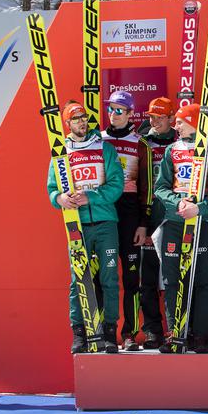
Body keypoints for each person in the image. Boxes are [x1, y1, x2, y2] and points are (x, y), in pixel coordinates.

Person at [46, 101, 123, 353]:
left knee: (109, 278)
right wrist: (60, 198)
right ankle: (79, 333)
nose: (81, 122)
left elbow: (116, 185)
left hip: (105, 222)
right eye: (75, 119)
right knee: (78, 278)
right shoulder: (61, 152)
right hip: (77, 225)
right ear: (67, 124)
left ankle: (110, 332)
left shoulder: (105, 148)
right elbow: (51, 189)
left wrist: (92, 197)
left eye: (84, 118)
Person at [154, 103, 208, 353]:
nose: (176, 126)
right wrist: (179, 202)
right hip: (175, 221)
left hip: (203, 222)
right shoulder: (172, 150)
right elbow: (160, 187)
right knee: (172, 279)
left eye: (180, 122)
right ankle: (175, 334)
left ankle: (201, 336)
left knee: (203, 280)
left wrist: (199, 208)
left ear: (193, 121)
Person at [101, 90, 151, 351]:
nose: (114, 114)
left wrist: (144, 222)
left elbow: (147, 188)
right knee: (103, 276)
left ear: (131, 114)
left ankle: (130, 333)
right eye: (111, 109)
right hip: (103, 214)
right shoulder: (98, 140)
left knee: (132, 278)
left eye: (120, 110)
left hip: (130, 215)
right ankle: (101, 332)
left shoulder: (139, 144)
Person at [137, 97, 178, 349]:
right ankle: (153, 331)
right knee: (148, 277)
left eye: (160, 118)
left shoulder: (182, 138)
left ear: (171, 118)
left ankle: (180, 327)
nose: (154, 122)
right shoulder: (142, 140)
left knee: (177, 276)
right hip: (148, 216)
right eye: (151, 117)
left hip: (174, 213)